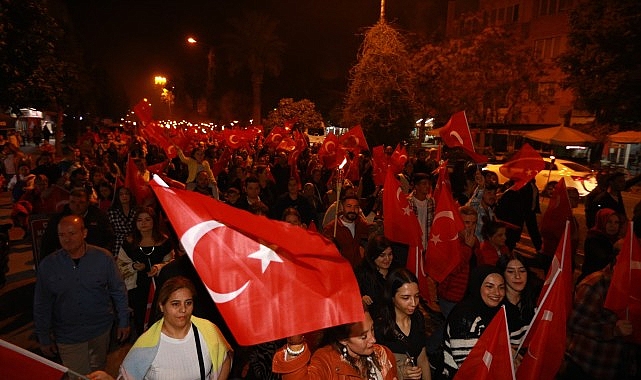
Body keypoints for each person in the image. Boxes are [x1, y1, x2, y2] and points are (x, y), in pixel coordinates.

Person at [33, 215, 130, 375]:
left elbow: (118, 290)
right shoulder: (49, 265)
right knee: (78, 375)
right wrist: (43, 336)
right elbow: (42, 303)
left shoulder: (103, 258)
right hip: (68, 334)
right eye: (62, 235)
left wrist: (123, 320)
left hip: (101, 329)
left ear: (84, 233)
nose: (67, 239)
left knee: (98, 370)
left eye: (72, 233)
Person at [114, 276, 232, 380]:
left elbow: (225, 358)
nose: (183, 310)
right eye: (175, 304)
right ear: (161, 306)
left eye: (188, 303)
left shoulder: (208, 330)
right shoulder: (146, 344)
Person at [561, 260, 635, 380]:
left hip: (616, 366)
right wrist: (613, 330)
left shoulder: (632, 285)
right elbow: (576, 323)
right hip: (588, 365)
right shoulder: (596, 284)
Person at [272, 310, 399, 379]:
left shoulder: (383, 354)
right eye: (363, 336)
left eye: (372, 329)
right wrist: (295, 345)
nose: (373, 340)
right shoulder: (326, 360)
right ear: (343, 340)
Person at [117, 206, 174, 336]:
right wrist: (133, 267)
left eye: (147, 220)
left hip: (160, 288)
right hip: (137, 289)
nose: (143, 223)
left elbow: (171, 263)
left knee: (160, 319)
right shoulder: (129, 242)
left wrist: (159, 267)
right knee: (140, 319)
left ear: (154, 222)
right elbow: (119, 266)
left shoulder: (164, 241)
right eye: (139, 220)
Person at [442, 265, 505, 378]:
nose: (497, 293)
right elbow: (467, 366)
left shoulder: (495, 312)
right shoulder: (465, 316)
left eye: (501, 287)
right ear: (477, 286)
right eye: (489, 286)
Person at [375, 268, 432, 380]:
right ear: (391, 297)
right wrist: (400, 373)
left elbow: (422, 358)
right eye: (406, 298)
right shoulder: (380, 327)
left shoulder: (418, 318)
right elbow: (377, 368)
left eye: (416, 296)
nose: (413, 303)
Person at [40, 188, 115, 258]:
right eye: (73, 202)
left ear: (88, 203)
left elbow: (109, 238)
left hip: (94, 256)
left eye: (81, 202)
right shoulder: (59, 219)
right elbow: (47, 242)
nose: (77, 206)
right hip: (67, 257)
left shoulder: (99, 216)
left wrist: (102, 255)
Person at [438, 206, 480, 318]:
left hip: (467, 296)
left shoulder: (474, 242)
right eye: (467, 222)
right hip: (452, 297)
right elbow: (453, 268)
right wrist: (467, 247)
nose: (470, 227)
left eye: (473, 223)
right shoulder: (450, 241)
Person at [496, 253, 542, 347]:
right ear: (502, 274)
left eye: (522, 271)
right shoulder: (497, 306)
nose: (518, 276)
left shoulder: (533, 301)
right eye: (511, 271)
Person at [354, 234, 396, 320]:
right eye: (382, 255)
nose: (387, 259)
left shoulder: (396, 272)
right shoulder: (362, 274)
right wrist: (361, 300)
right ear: (373, 256)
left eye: (390, 254)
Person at [323, 194, 370, 267]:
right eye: (349, 206)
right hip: (342, 271)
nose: (353, 210)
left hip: (359, 271)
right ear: (342, 207)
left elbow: (369, 234)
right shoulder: (331, 229)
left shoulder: (360, 223)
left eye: (356, 207)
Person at [577, 208, 622, 283]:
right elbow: (603, 260)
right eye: (609, 222)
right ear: (602, 222)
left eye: (616, 222)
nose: (613, 226)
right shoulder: (593, 239)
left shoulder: (615, 239)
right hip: (592, 283)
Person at [108, 186, 137, 257]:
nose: (124, 196)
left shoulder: (137, 210)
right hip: (118, 242)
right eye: (121, 194)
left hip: (136, 240)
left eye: (127, 194)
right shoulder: (112, 211)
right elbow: (109, 230)